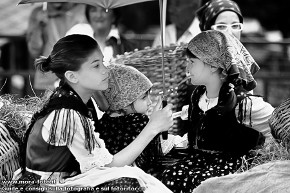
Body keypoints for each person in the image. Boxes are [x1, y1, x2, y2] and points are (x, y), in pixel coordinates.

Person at [13, 34, 174, 193]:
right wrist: (152, 127)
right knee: (127, 183)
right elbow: (107, 166)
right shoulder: (67, 114)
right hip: (51, 188)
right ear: (72, 76)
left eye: (103, 62)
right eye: (96, 66)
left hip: (65, 181)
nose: (106, 71)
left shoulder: (78, 102)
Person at [157, 30, 274, 192]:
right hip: (197, 161)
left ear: (212, 65)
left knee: (200, 183)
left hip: (229, 171)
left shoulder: (244, 104)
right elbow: (196, 138)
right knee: (166, 175)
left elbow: (279, 126)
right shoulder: (197, 97)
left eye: (192, 62)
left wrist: (266, 159)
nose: (187, 67)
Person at [97, 64, 165, 176]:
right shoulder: (139, 121)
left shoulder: (101, 123)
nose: (150, 102)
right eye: (144, 97)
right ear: (123, 103)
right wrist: (154, 124)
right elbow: (154, 160)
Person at [27, 3, 86, 96]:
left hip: (74, 78)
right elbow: (34, 51)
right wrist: (38, 25)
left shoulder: (81, 9)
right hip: (46, 80)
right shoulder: (39, 12)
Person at [66, 4, 137, 64]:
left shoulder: (127, 48)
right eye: (93, 10)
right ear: (88, 16)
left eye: (104, 10)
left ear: (114, 16)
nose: (98, 15)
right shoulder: (77, 39)